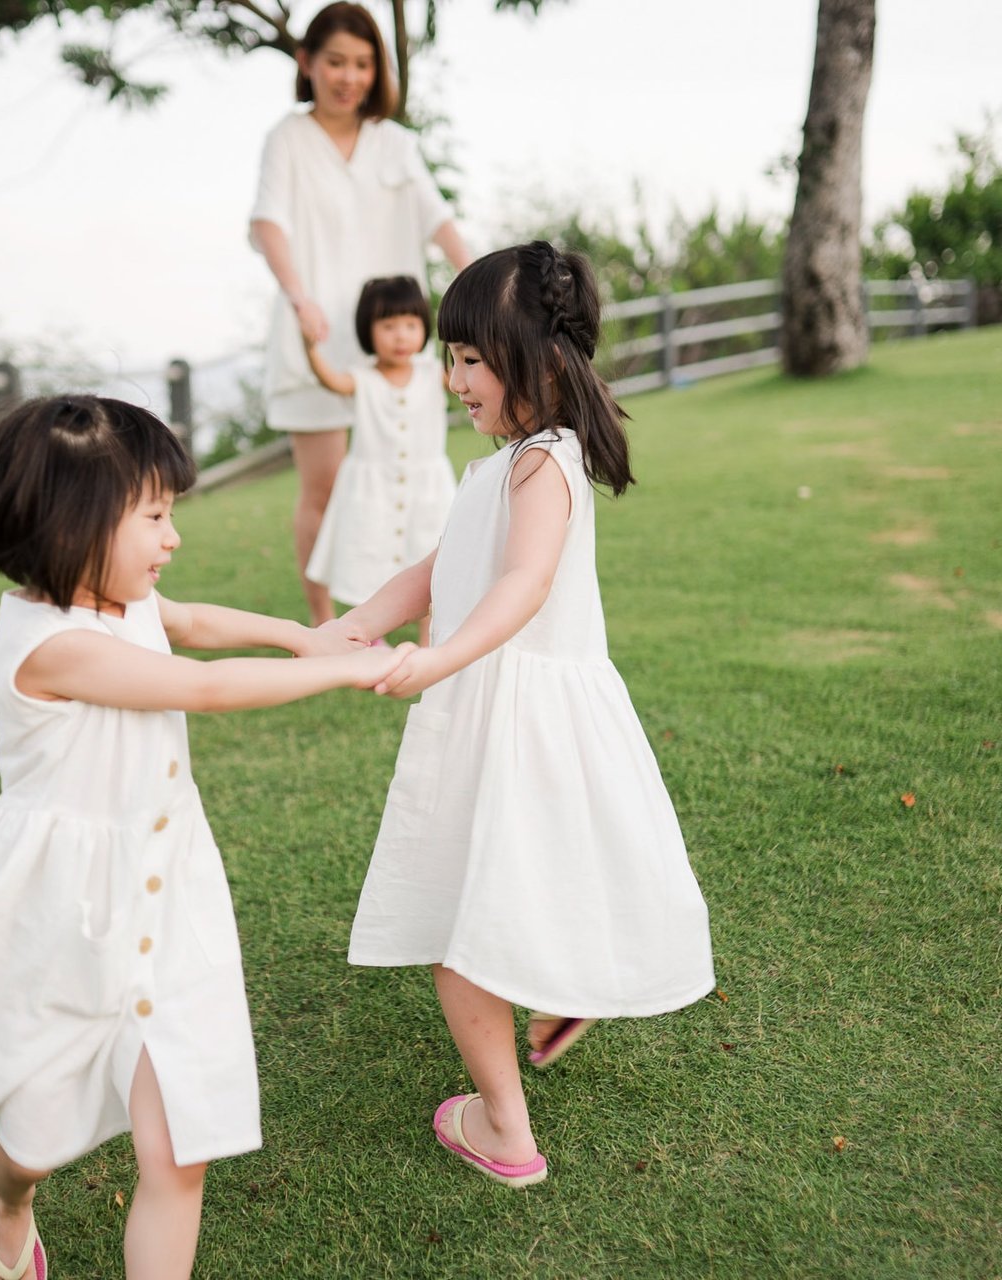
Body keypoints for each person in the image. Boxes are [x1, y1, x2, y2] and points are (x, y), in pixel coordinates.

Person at [0, 396, 408, 1280]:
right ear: (73, 524)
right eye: (153, 516)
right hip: (66, 917)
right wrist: (346, 667)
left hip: (169, 893)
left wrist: (299, 634)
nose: (172, 537)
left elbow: (190, 624)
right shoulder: (50, 645)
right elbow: (200, 684)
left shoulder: (127, 603)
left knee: (177, 1146)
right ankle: (6, 1198)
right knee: (36, 1132)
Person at [325, 243, 715, 1187]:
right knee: (520, 875)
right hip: (515, 706)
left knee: (458, 919)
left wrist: (440, 658)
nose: (452, 379)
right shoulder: (513, 462)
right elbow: (441, 564)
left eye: (469, 358)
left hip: (510, 705)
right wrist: (359, 623)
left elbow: (524, 585)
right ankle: (560, 986)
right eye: (450, 358)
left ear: (537, 361)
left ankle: (506, 1129)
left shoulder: (544, 465)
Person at [248, 0, 471, 626]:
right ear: (306, 63)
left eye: (363, 64)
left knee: (415, 483)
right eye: (337, 62)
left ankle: (420, 612)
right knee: (322, 489)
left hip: (393, 343)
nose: (350, 77)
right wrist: (299, 296)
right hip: (314, 339)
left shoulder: (394, 144)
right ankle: (322, 622)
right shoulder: (287, 139)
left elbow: (439, 220)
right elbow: (269, 223)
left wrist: (480, 276)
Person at [302, 275, 455, 629]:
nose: (400, 335)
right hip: (372, 490)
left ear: (424, 328)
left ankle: (428, 639)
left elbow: (474, 376)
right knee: (368, 558)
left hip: (427, 489)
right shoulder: (362, 378)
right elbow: (331, 381)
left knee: (433, 559)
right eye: (388, 326)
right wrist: (310, 348)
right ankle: (371, 632)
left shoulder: (435, 373)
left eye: (410, 324)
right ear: (367, 330)